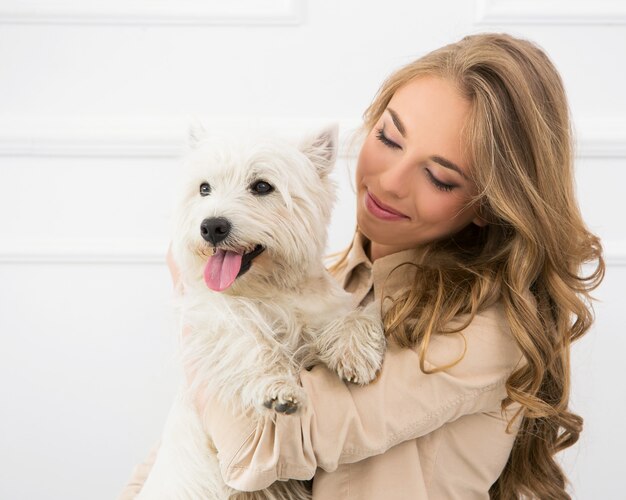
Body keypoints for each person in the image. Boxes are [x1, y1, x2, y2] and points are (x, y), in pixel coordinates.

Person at [121, 33, 605, 499]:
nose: (390, 182)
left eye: (438, 177)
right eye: (389, 139)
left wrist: (194, 300)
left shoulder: (481, 333)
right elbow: (183, 433)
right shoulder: (327, 282)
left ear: (488, 204)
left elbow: (259, 446)